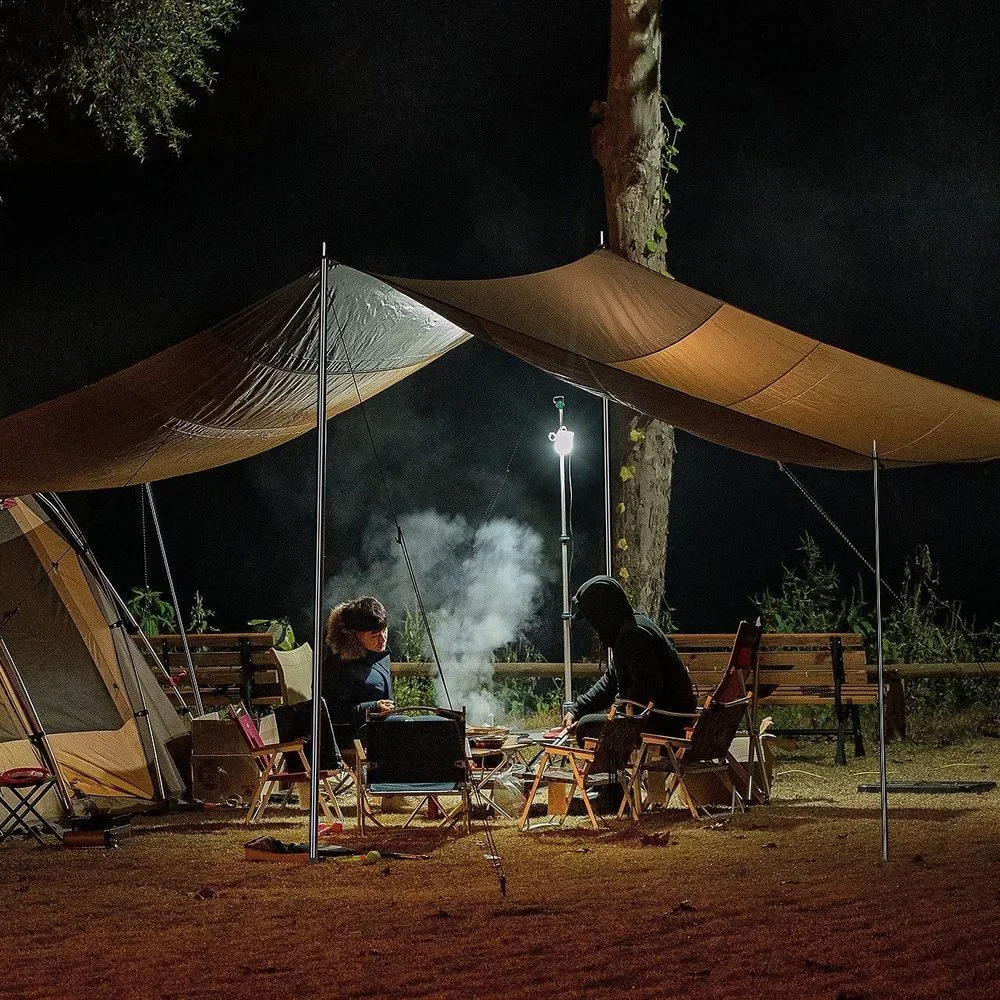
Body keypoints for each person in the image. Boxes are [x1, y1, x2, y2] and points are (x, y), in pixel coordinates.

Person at [562, 575, 696, 741]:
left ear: (602, 612)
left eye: (593, 617)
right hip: (661, 715)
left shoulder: (633, 636)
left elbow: (647, 689)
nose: (594, 626)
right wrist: (577, 709)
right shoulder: (628, 629)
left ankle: (610, 766)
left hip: (667, 720)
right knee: (587, 722)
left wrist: (617, 714)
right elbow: (610, 682)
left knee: (587, 728)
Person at [322, 595, 395, 744]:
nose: (382, 639)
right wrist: (372, 708)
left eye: (384, 631)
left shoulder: (377, 654)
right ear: (354, 634)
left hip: (378, 727)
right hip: (351, 738)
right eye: (374, 635)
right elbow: (330, 712)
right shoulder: (338, 666)